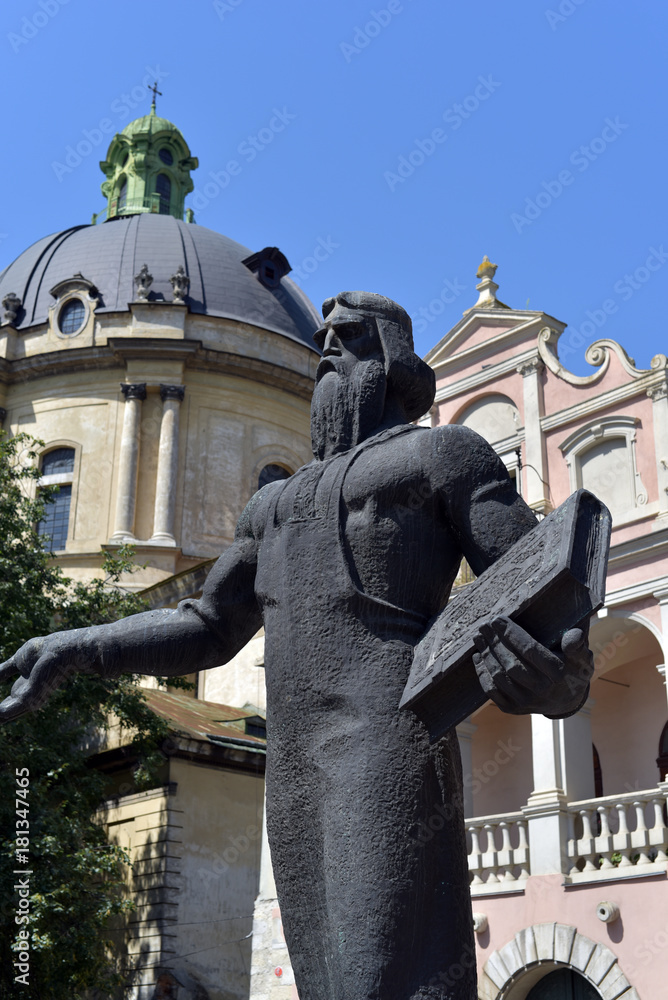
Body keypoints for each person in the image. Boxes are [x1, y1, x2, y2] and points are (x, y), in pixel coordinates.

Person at [0, 291, 593, 1000]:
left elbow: (542, 583)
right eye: (322, 347)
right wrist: (76, 647)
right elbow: (207, 625)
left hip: (386, 741)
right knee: (327, 980)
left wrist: (563, 678)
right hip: (292, 765)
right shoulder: (272, 506)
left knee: (381, 976)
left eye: (347, 340)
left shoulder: (444, 455)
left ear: (394, 362)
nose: (328, 358)